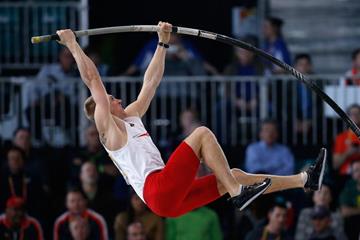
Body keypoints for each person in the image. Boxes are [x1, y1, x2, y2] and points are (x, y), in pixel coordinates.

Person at [55, 21, 326, 217]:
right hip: (157, 189)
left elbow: (150, 83)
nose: (118, 99)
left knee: (233, 175)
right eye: (112, 99)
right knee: (202, 134)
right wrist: (72, 44)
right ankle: (236, 193)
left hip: (167, 200)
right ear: (101, 110)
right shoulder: (109, 131)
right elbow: (92, 79)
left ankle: (303, 180)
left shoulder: (131, 116)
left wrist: (163, 42)